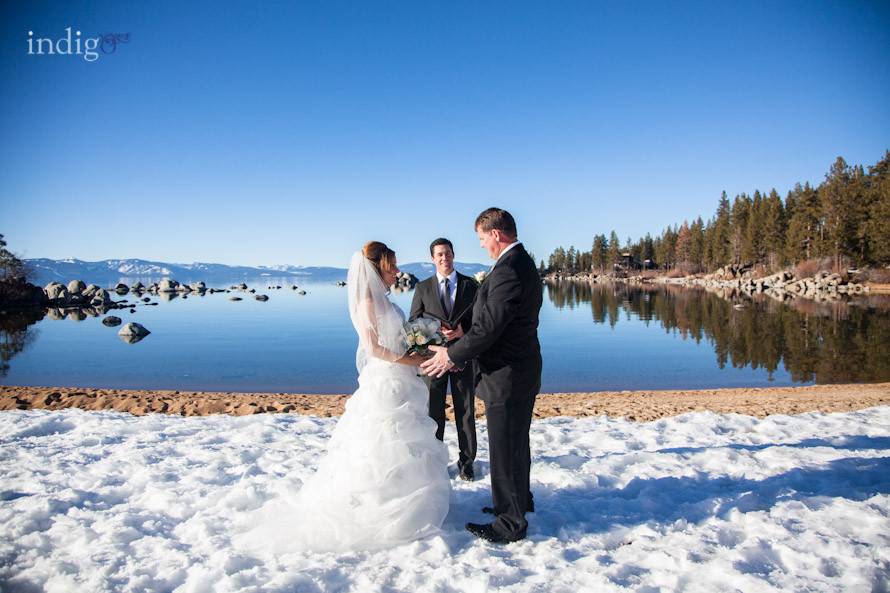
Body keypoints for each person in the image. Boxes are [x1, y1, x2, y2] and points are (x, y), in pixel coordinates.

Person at [235, 241, 451, 554]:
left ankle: (407, 497)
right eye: (392, 266)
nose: (397, 271)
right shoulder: (367, 301)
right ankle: (381, 505)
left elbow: (399, 337)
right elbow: (375, 349)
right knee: (383, 441)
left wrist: (425, 338)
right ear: (378, 268)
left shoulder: (386, 301)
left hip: (402, 379)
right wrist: (412, 360)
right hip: (386, 382)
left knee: (408, 441)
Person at [421, 208, 542, 544]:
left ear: (496, 234)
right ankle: (519, 502)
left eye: (481, 238)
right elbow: (493, 319)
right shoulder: (520, 263)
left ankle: (509, 523)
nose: (482, 246)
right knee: (517, 442)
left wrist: (451, 354)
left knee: (505, 445)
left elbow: (491, 327)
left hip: (507, 373)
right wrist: (465, 332)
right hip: (520, 367)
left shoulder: (508, 269)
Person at [409, 238, 478, 481]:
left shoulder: (471, 285)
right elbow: (413, 328)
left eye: (447, 253)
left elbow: (482, 322)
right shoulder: (423, 288)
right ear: (432, 258)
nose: (444, 258)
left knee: (466, 412)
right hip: (433, 360)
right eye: (439, 254)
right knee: (433, 412)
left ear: (453, 254)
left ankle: (467, 462)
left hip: (463, 356)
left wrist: (463, 332)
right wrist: (436, 334)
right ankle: (435, 461)